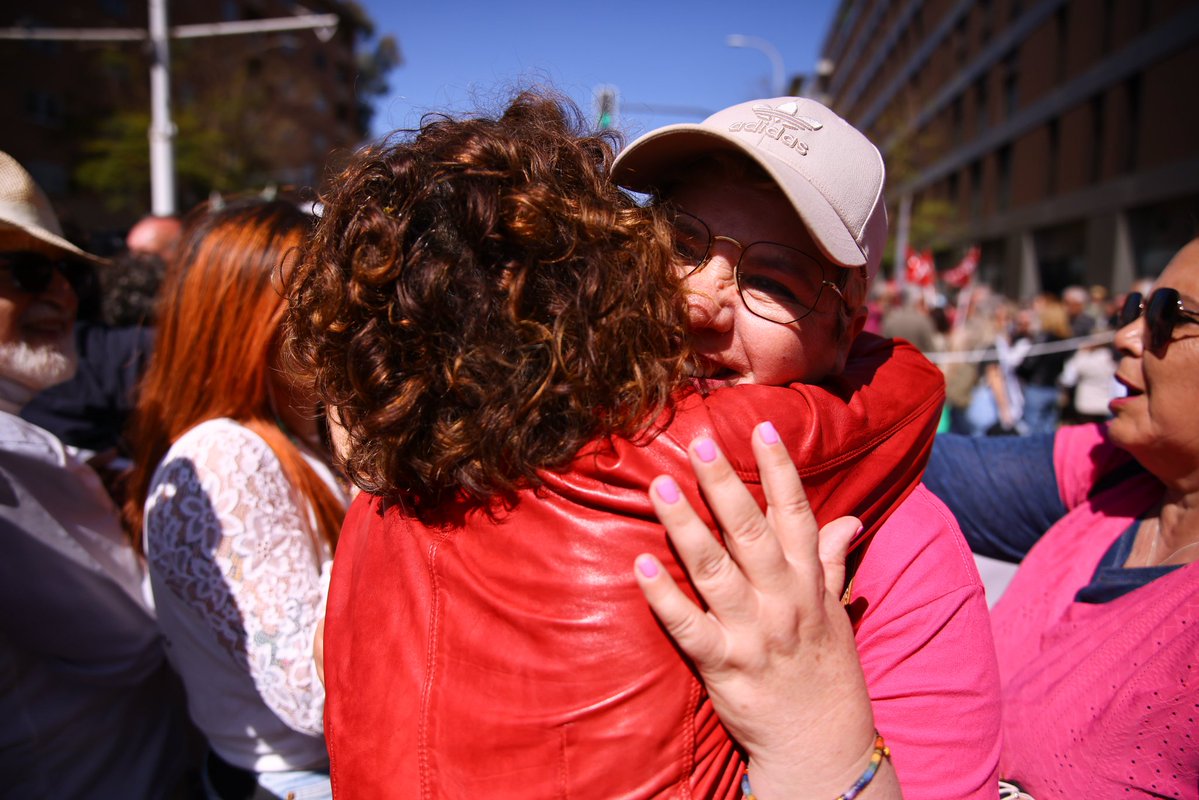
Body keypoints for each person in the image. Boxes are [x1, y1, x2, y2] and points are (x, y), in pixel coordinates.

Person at [290, 91, 999, 798]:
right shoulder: (473, 438)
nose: (697, 301)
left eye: (768, 281)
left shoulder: (898, 544)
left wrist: (816, 736)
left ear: (848, 327)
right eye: (679, 244)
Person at [658, 236, 1199, 798]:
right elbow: (890, 451)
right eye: (1134, 310)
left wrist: (818, 734)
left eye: (1167, 317)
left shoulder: (925, 556)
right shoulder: (1114, 473)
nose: (1126, 336)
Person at [123, 200, 349, 799]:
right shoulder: (227, 458)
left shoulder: (294, 440)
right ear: (251, 321)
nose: (345, 322)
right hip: (294, 779)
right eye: (320, 302)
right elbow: (310, 691)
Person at [0, 151, 194, 797]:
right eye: (27, 271)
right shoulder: (14, 457)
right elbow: (130, 642)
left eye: (66, 272)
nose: (59, 293)